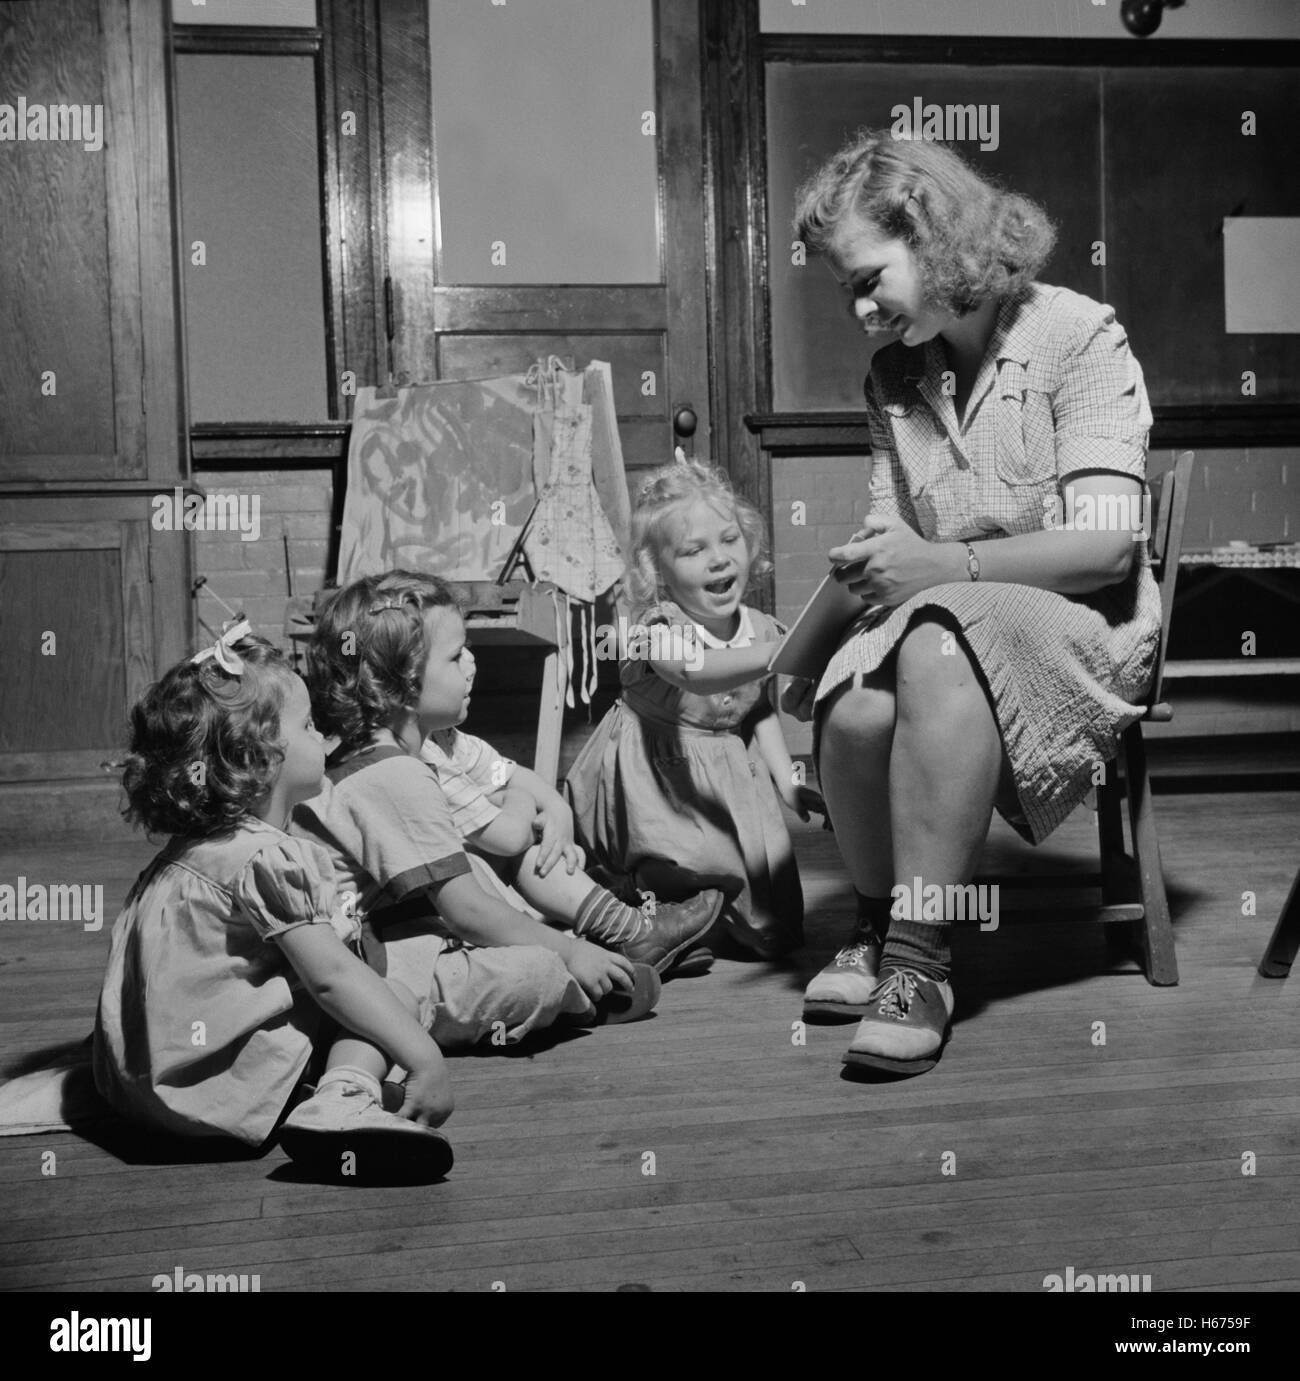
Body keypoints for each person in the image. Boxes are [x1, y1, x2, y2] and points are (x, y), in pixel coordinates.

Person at [787, 130, 1162, 1076]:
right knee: (854, 693)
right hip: (948, 607)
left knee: (933, 644)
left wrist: (939, 564)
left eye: (869, 278)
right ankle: (878, 922)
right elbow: (890, 536)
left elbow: (1108, 544)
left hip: (1084, 617)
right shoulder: (894, 375)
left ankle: (922, 958)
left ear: (929, 230)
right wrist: (800, 656)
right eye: (847, 292)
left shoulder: (1077, 332)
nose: (860, 308)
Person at [92, 622, 454, 1180]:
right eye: (308, 726)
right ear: (258, 757)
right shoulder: (266, 858)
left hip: (143, 1092)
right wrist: (423, 1056)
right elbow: (332, 979)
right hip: (221, 1094)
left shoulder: (185, 855)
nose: (324, 737)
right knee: (391, 994)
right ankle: (339, 1100)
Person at [294, 570, 672, 1047]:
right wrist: (570, 953)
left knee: (469, 864)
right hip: (373, 968)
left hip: (389, 928)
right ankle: (579, 994)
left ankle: (572, 952)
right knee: (536, 972)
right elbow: (467, 910)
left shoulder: (386, 757)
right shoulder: (394, 775)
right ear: (402, 684)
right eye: (455, 656)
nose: (471, 664)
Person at [566, 457, 824, 961]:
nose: (719, 559)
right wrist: (784, 653)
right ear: (657, 569)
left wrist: (787, 782)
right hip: (656, 776)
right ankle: (644, 908)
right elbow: (692, 671)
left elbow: (757, 711)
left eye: (729, 540)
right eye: (693, 550)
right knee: (689, 858)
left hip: (728, 775)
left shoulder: (761, 628)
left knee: (772, 926)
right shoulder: (658, 628)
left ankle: (701, 924)